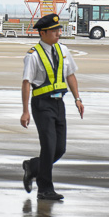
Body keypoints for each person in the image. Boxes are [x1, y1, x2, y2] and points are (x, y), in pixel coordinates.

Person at [20, 13, 84, 200]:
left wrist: (77, 99)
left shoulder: (63, 50)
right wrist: (25, 111)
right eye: (55, 30)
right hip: (42, 104)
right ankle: (45, 188)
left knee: (59, 148)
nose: (59, 33)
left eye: (59, 29)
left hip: (59, 104)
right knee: (48, 146)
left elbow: (70, 75)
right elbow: (26, 83)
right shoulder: (33, 55)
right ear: (43, 33)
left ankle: (33, 167)